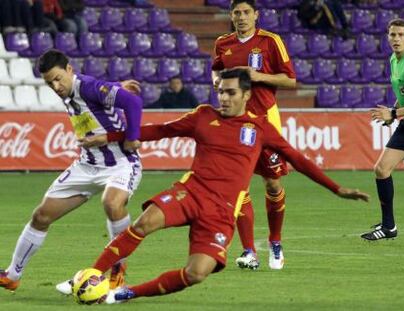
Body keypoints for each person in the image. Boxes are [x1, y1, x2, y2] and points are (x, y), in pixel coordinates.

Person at [67, 68, 368, 303]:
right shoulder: (203, 116)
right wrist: (109, 137)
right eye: (221, 92)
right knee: (144, 223)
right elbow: (159, 130)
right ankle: (92, 274)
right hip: (191, 192)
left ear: (246, 95)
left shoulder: (260, 128)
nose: (223, 98)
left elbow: (297, 159)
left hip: (222, 212)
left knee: (197, 273)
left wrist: (335, 188)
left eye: (230, 93)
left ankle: (126, 294)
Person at [0, 49, 143, 292]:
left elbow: (133, 102)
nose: (55, 86)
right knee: (41, 216)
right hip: (86, 165)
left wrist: (131, 138)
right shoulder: (72, 90)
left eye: (58, 79)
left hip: (121, 162)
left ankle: (117, 272)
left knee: (112, 203)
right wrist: (115, 86)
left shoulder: (86, 87)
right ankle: (12, 275)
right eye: (49, 83)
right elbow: (102, 97)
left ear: (69, 70)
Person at [211, 0, 296, 270]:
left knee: (273, 184)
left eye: (246, 12)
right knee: (238, 186)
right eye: (237, 12)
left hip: (265, 121)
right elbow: (216, 67)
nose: (241, 17)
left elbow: (290, 79)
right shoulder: (223, 42)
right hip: (235, 123)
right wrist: (216, 80)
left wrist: (257, 75)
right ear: (231, 15)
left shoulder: (271, 41)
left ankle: (275, 241)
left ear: (256, 15)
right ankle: (249, 251)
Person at [361, 18, 404, 241]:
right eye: (392, 35)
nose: (396, 39)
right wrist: (395, 110)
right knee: (382, 169)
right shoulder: (394, 59)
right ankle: (389, 226)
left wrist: (393, 114)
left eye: (401, 34)